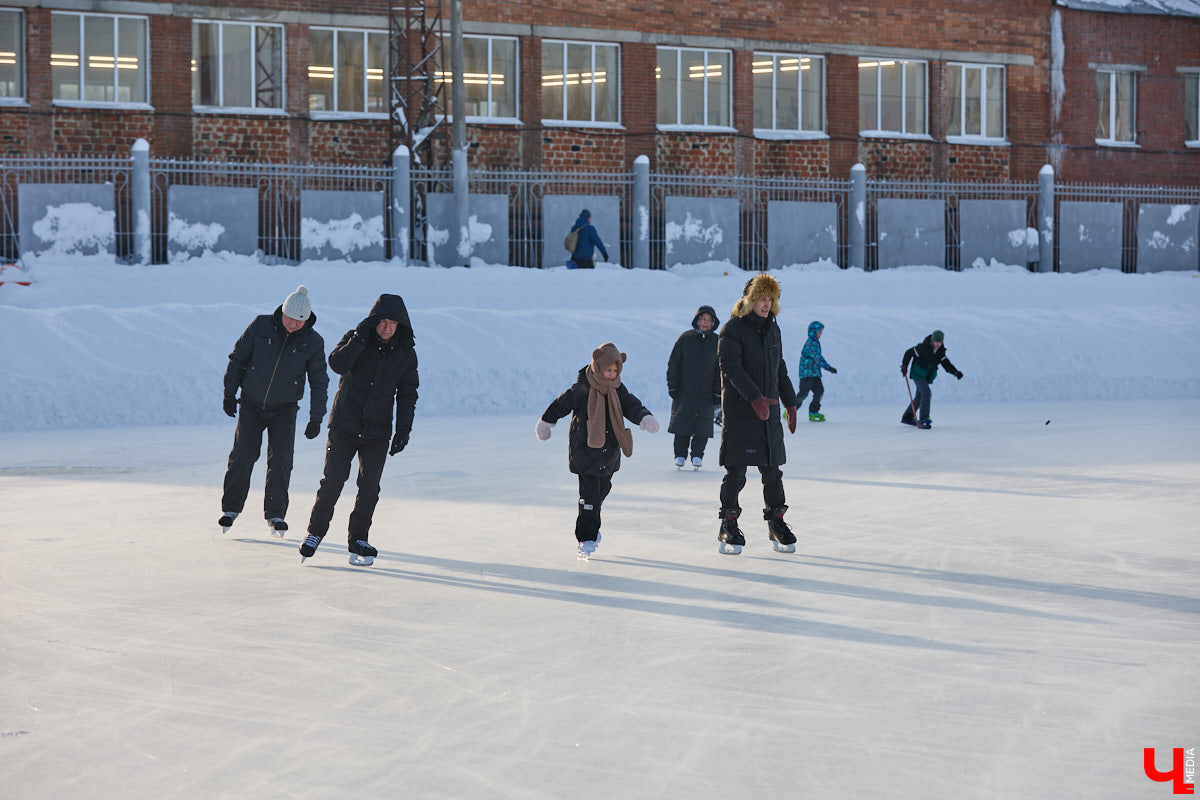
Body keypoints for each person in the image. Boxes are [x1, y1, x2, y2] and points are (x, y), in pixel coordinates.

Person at [300, 294, 419, 566]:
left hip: (377, 433)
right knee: (332, 482)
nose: (387, 328)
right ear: (374, 322)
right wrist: (359, 338)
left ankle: (358, 539)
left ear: (401, 325)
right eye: (383, 322)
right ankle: (315, 533)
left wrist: (403, 430)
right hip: (344, 426)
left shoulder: (406, 354)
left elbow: (408, 394)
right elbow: (337, 364)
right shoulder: (355, 338)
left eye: (393, 323)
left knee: (369, 488)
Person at [220, 285, 328, 537]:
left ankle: (275, 514)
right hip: (251, 403)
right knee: (243, 455)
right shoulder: (261, 325)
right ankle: (231, 508)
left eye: (299, 321)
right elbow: (238, 358)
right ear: (282, 311)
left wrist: (316, 418)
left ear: (307, 320)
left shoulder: (313, 342)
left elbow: (319, 381)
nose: (292, 325)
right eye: (289, 318)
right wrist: (229, 393)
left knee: (281, 461)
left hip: (284, 409)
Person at [536, 342, 658, 559]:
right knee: (590, 498)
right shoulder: (583, 388)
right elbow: (561, 404)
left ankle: (591, 522)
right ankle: (586, 539)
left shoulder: (618, 389)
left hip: (608, 452)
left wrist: (644, 417)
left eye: (615, 371)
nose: (611, 375)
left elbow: (631, 405)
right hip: (586, 451)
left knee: (602, 490)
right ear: (598, 366)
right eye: (608, 370)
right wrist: (546, 422)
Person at [716, 274, 799, 555]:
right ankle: (728, 524)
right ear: (750, 300)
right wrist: (754, 398)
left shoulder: (773, 330)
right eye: (762, 298)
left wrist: (791, 402)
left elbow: (780, 368)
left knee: (772, 472)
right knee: (736, 472)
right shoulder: (732, 330)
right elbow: (731, 368)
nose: (767, 304)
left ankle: (776, 522)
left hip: (769, 413)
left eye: (770, 299)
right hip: (741, 414)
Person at [667, 305, 721, 469]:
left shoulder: (717, 342)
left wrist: (718, 392)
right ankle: (680, 455)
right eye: (703, 319)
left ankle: (697, 455)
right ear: (697, 320)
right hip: (685, 390)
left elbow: (721, 369)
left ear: (713, 322)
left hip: (707, 392)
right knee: (682, 424)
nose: (705, 323)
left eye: (709, 320)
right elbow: (673, 364)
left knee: (702, 425)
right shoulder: (685, 339)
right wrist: (673, 386)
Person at [900, 329, 963, 429]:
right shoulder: (923, 347)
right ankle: (924, 418)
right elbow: (909, 353)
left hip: (925, 376)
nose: (938, 344)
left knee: (920, 396)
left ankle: (908, 417)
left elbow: (947, 364)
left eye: (940, 342)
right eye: (936, 341)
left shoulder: (940, 352)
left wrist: (956, 372)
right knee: (926, 392)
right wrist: (904, 366)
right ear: (932, 341)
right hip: (917, 374)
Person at [795, 320, 837, 422]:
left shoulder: (815, 343)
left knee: (819, 391)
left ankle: (813, 412)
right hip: (807, 374)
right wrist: (828, 367)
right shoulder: (811, 343)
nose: (820, 334)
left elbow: (818, 358)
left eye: (821, 332)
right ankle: (791, 410)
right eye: (819, 332)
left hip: (814, 374)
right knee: (803, 394)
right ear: (813, 331)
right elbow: (817, 358)